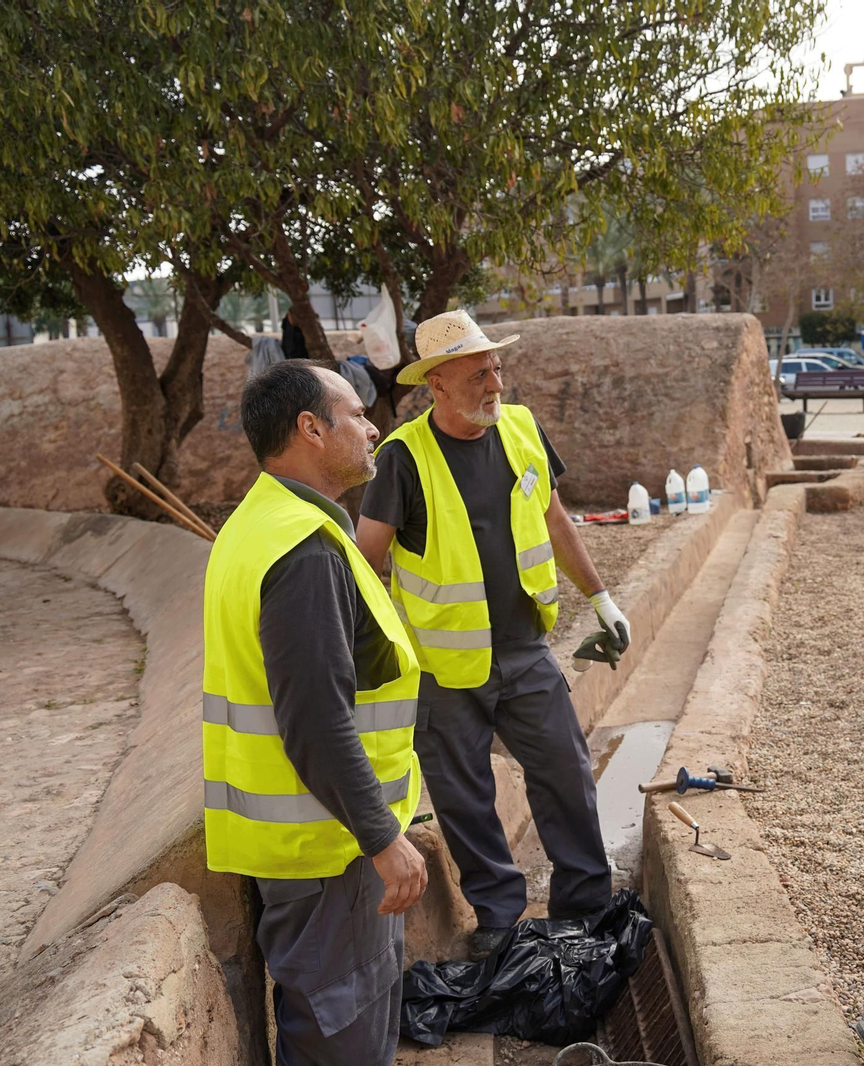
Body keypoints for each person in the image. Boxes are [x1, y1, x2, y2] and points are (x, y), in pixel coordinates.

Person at [356, 310, 627, 958]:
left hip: (524, 649)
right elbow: (366, 562)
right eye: (478, 374)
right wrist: (376, 656)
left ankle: (586, 907)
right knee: (466, 800)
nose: (495, 384)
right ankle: (500, 921)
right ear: (438, 384)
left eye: (496, 368)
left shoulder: (522, 429)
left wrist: (601, 597)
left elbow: (555, 520)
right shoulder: (402, 457)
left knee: (566, 771)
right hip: (443, 668)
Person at [202, 361, 428, 1066]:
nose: (373, 428)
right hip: (334, 853)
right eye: (357, 413)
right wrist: (381, 836)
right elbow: (316, 719)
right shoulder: (304, 551)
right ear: (310, 428)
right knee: (344, 1043)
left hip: (311, 849)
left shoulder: (260, 524)